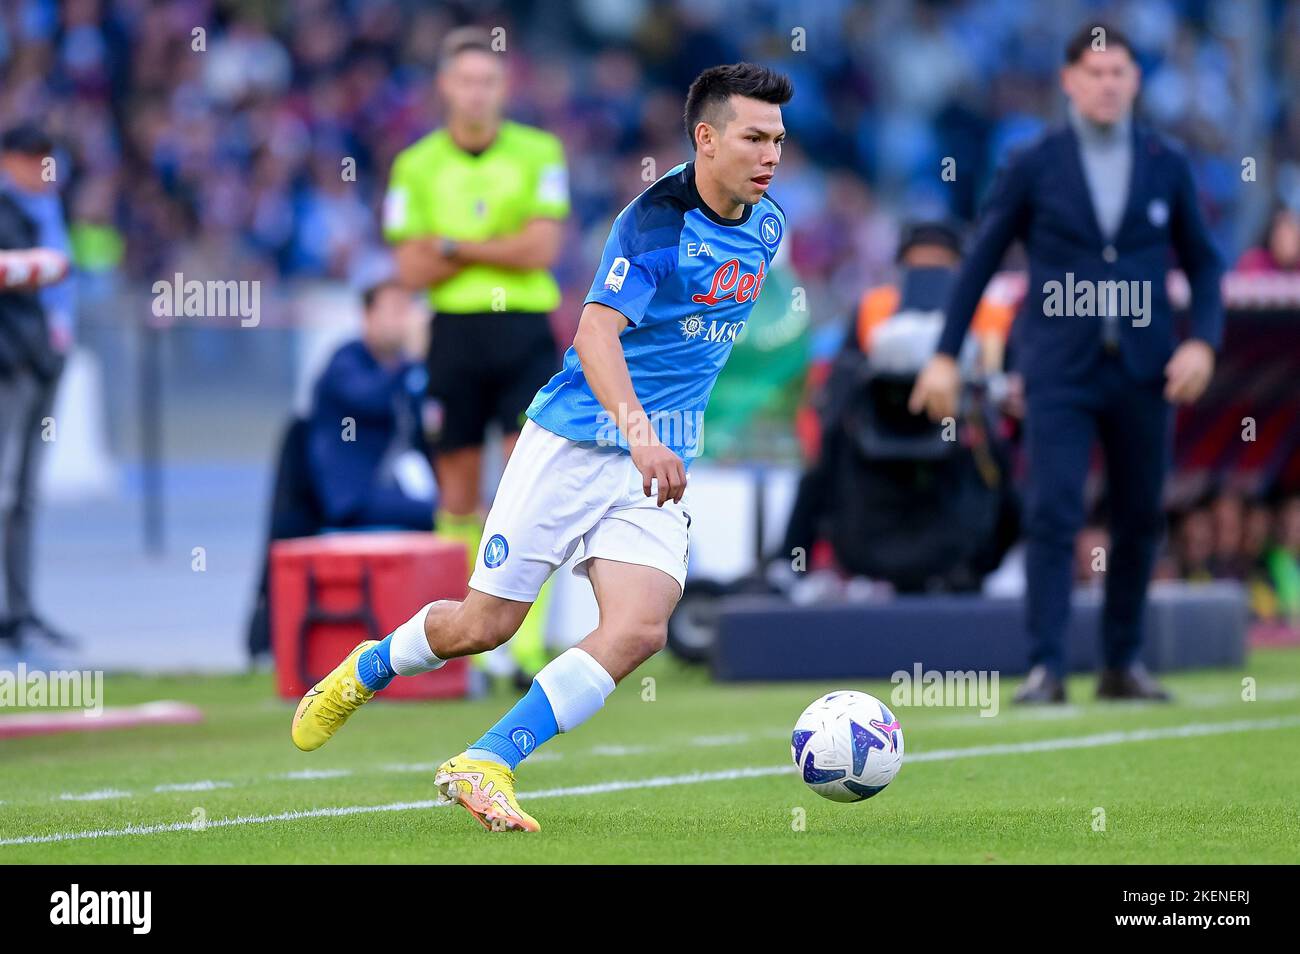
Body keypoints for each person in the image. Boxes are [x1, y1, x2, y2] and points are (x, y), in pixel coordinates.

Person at [293, 62, 792, 832]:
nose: (770, 156)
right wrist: (639, 433)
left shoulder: (769, 226)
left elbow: (696, 342)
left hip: (655, 464)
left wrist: (670, 437)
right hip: (577, 443)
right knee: (483, 626)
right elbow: (596, 332)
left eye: (778, 140)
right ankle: (368, 667)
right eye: (754, 137)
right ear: (706, 139)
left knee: (641, 629)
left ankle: (486, 760)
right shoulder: (653, 224)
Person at [909, 23, 1224, 704]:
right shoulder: (1033, 162)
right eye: (1095, 73)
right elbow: (982, 259)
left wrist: (1202, 340)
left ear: (1136, 80)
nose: (1107, 84)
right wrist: (943, 355)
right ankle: (1047, 666)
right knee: (1051, 511)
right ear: (1070, 82)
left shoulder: (1166, 162)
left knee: (1141, 515)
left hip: (1145, 366)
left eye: (1119, 73)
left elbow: (1203, 262)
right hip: (1059, 367)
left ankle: (1122, 663)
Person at [382, 26, 570, 684]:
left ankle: (524, 647)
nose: (477, 92)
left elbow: (542, 250)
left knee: (527, 489)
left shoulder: (540, 152)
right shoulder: (415, 165)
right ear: (444, 86)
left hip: (522, 332)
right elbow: (408, 267)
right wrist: (499, 241)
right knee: (457, 492)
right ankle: (462, 645)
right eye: (465, 80)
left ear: (503, 87)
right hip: (455, 336)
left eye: (488, 80)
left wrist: (456, 247)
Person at [0, 124, 75, 651]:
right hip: (14, 365)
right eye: (32, 159)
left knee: (23, 494)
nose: (41, 170)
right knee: (7, 491)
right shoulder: (10, 211)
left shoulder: (46, 211)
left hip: (45, 363)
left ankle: (20, 611)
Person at [305, 281, 434, 531]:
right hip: (352, 496)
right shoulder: (346, 360)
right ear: (368, 316)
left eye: (409, 309)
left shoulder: (409, 370)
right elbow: (369, 399)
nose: (406, 320)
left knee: (469, 506)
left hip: (395, 486)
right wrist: (412, 357)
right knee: (447, 513)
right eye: (396, 311)